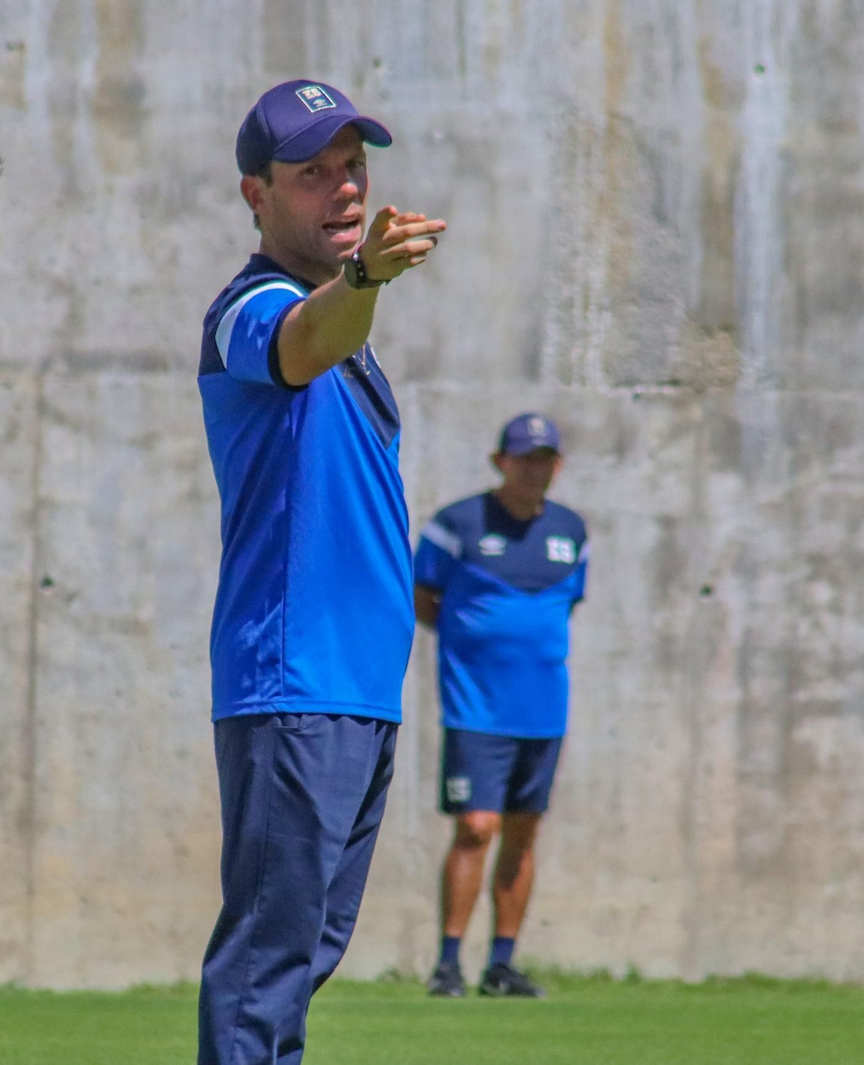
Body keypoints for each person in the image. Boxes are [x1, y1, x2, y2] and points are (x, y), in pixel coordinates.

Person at [195, 79, 446, 1064]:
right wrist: (367, 284)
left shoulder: (349, 319)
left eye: (353, 168)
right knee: (266, 967)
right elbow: (305, 341)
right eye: (312, 174)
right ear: (256, 196)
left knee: (297, 965)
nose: (342, 190)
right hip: (292, 686)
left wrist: (359, 291)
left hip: (353, 693)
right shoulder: (252, 306)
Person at [415, 413, 588, 999]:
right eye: (523, 458)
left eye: (544, 459)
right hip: (476, 708)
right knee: (475, 826)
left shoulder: (572, 530)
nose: (533, 469)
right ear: (500, 462)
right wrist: (471, 640)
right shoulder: (457, 523)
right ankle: (447, 964)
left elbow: (566, 606)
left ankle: (502, 965)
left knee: (522, 833)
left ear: (557, 466)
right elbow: (422, 595)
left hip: (543, 710)